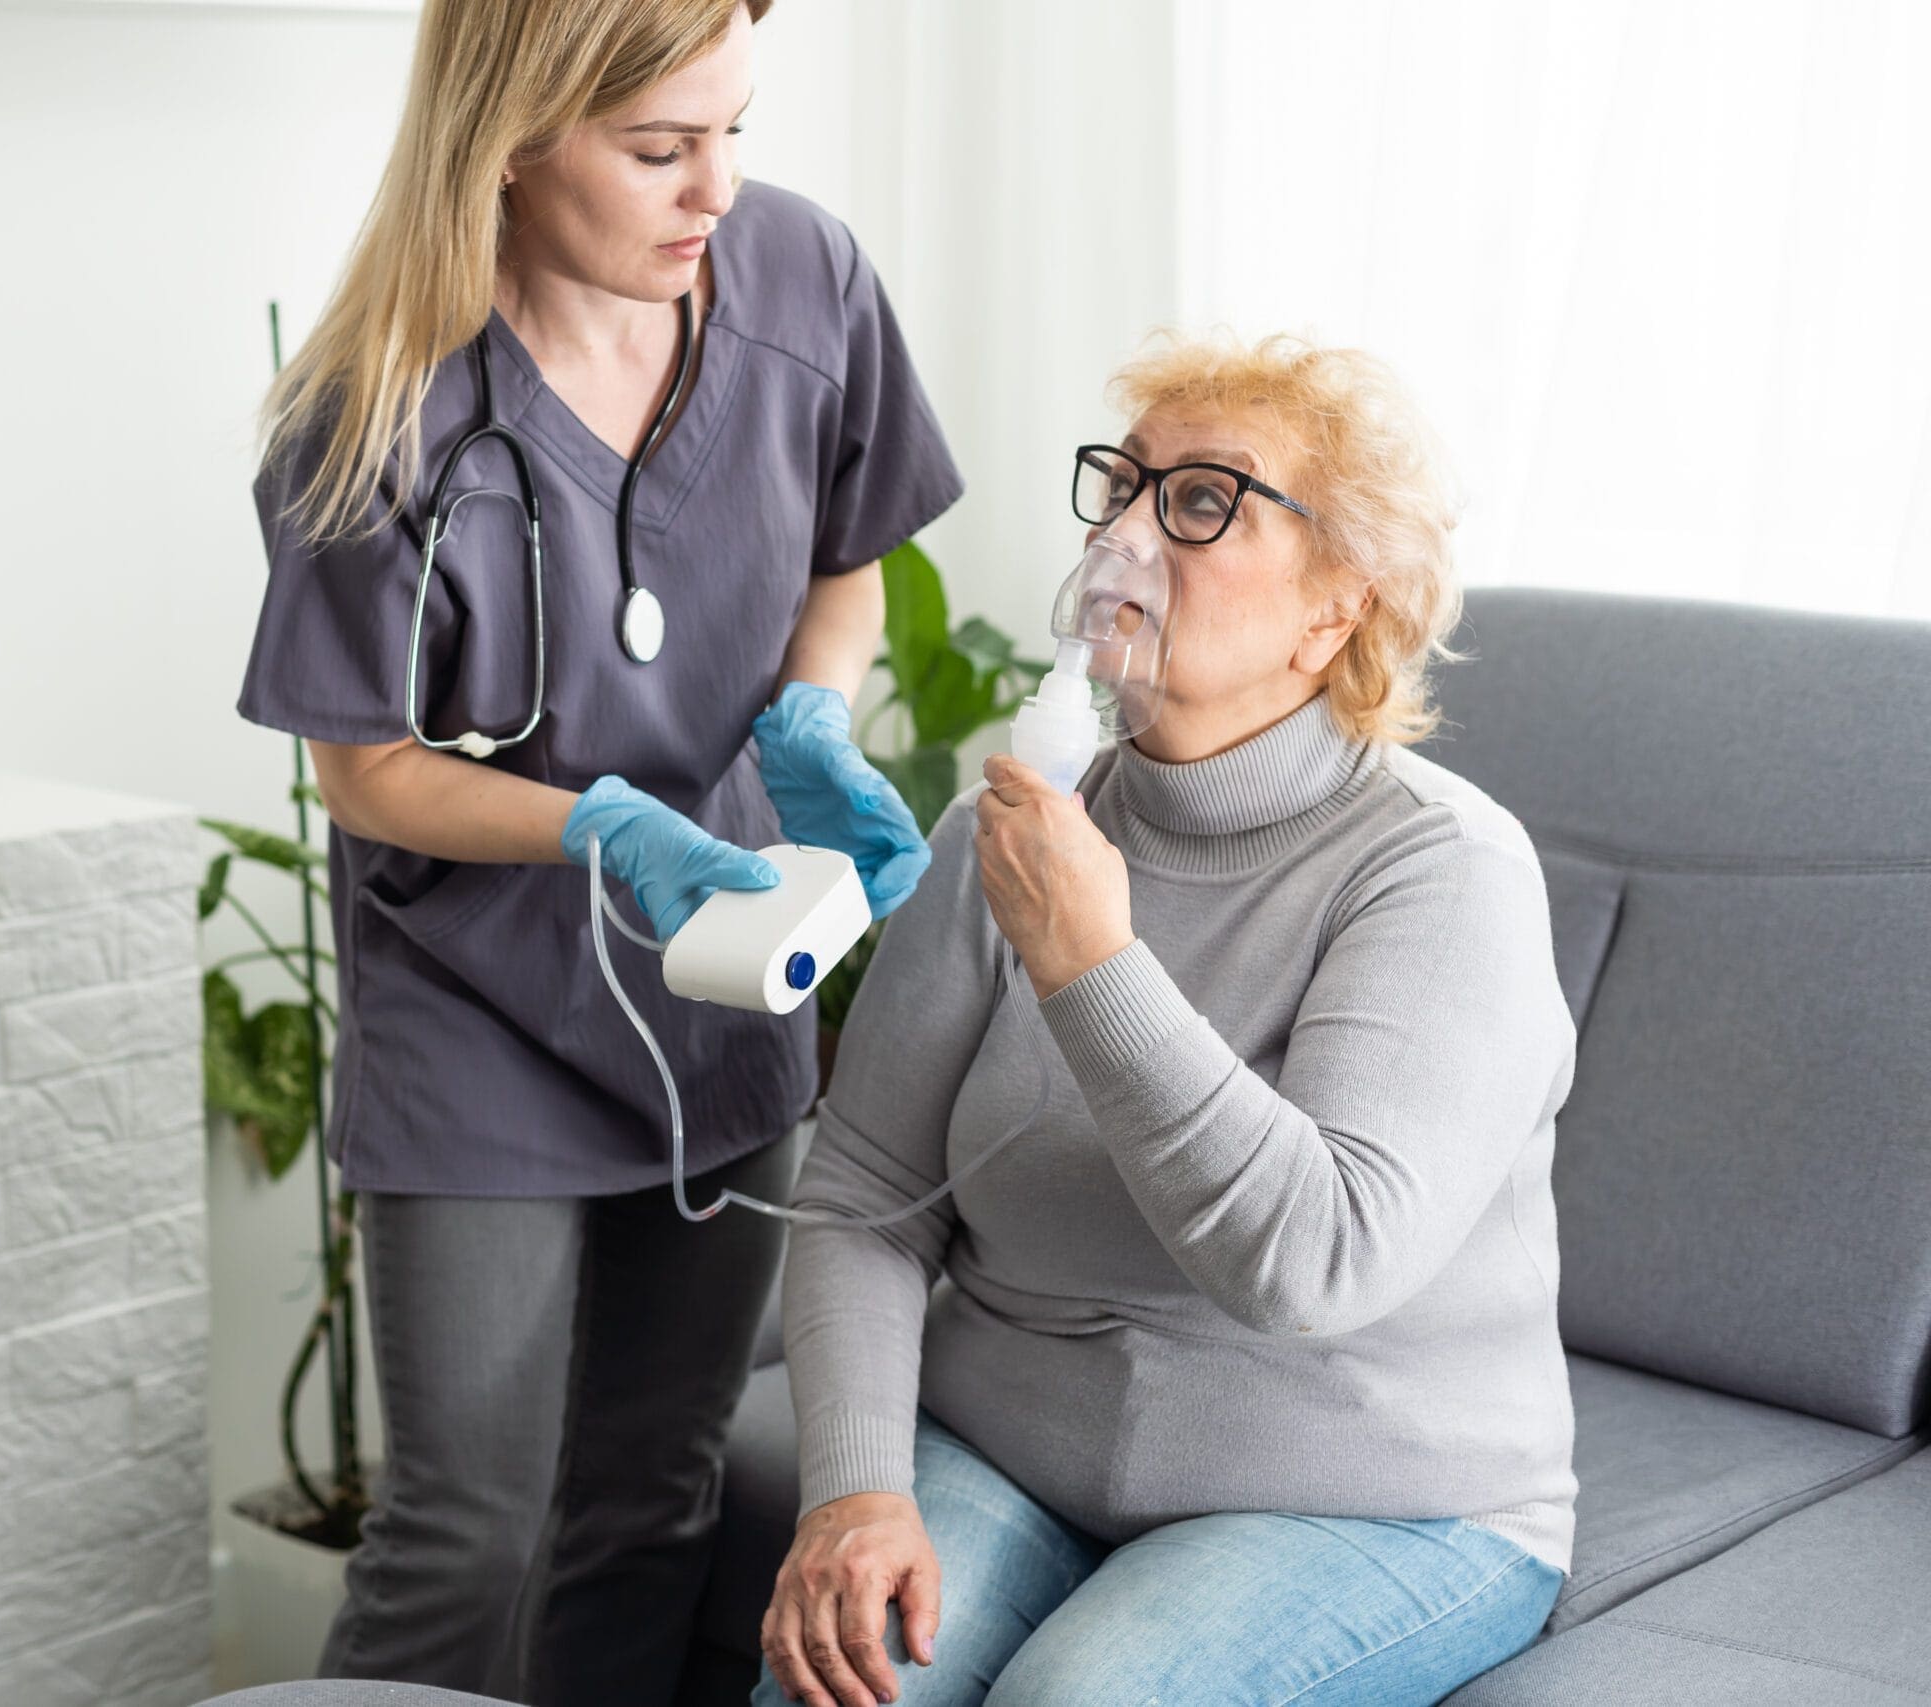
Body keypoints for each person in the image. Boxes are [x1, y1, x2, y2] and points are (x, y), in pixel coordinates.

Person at [234, 1, 965, 1699]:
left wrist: (812, 718)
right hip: (475, 1004)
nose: (714, 189)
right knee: (463, 1530)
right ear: (512, 135)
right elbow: (367, 770)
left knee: (652, 1500)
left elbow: (847, 550)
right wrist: (595, 825)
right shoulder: (374, 409)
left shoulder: (803, 280)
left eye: (735, 133)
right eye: (658, 149)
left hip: (722, 973)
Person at [757, 332, 1578, 1707]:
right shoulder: (1008, 831)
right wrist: (853, 1495)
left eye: (1203, 501)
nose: (1131, 534)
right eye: (1125, 487)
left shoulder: (1443, 873)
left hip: (1367, 1495)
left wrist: (1092, 964)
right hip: (1014, 1447)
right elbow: (866, 1193)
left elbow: (1319, 1264)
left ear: (1337, 607)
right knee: (833, 1691)